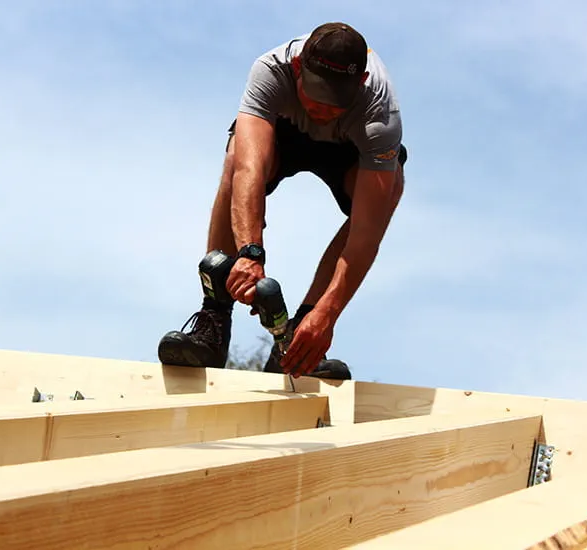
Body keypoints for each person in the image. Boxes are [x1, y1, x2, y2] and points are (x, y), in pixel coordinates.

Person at [157, 22, 407, 378]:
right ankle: (213, 323)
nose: (324, 109)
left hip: (350, 147)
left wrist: (327, 315)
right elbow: (249, 171)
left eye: (336, 100)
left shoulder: (379, 112)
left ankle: (300, 339)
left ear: (362, 83)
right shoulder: (270, 70)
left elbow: (366, 234)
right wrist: (249, 254)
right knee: (234, 158)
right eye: (316, 94)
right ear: (297, 69)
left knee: (388, 191)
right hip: (284, 131)